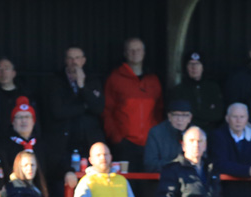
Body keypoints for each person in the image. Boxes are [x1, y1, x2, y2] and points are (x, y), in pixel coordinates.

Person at [103, 37, 163, 171]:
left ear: (144, 52)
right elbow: (107, 111)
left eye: (138, 49)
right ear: (125, 53)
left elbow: (159, 111)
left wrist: (157, 136)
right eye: (131, 50)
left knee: (149, 186)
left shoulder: (153, 80)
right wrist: (116, 138)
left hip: (150, 144)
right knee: (127, 186)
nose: (135, 53)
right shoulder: (115, 78)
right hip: (125, 144)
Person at [45, 46, 105, 166]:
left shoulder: (93, 80)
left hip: (88, 140)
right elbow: (58, 111)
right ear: (65, 61)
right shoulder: (55, 81)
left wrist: (82, 86)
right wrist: (85, 107)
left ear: (83, 60)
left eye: (77, 58)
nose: (74, 62)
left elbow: (98, 108)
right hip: (63, 142)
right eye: (70, 58)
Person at [0, 57, 38, 143]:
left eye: (6, 68)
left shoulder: (25, 94)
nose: (3, 72)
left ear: (14, 73)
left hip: (21, 142)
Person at [168, 51, 223, 135]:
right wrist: (206, 113)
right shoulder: (179, 90)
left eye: (197, 64)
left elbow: (218, 114)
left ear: (203, 67)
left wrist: (194, 113)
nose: (194, 67)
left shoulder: (213, 87)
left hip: (212, 133)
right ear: (186, 67)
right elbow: (177, 116)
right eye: (190, 64)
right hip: (187, 133)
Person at [143, 100, 193, 173]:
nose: (180, 119)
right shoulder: (156, 133)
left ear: (190, 118)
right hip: (162, 179)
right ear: (169, 116)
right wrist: (176, 164)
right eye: (176, 115)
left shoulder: (197, 134)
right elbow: (150, 165)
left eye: (184, 115)